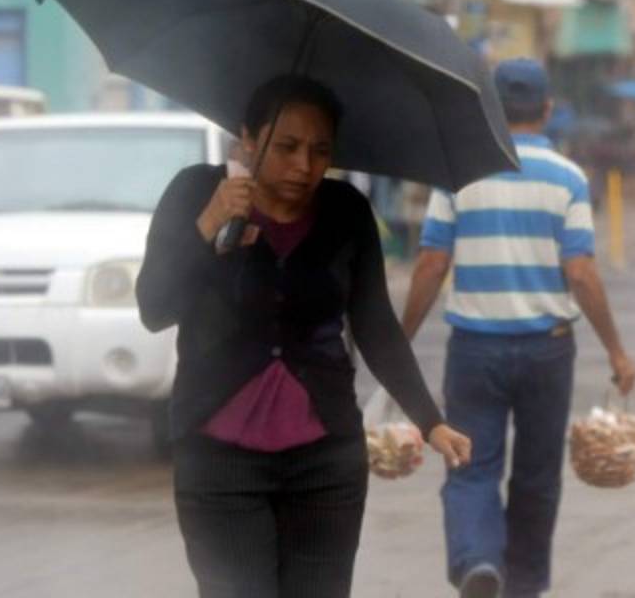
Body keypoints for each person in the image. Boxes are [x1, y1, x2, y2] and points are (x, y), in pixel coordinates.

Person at [136, 74, 472, 598]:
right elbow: (154, 308)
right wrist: (210, 222)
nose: (304, 166)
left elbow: (375, 324)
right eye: (287, 146)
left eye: (320, 150)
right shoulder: (195, 192)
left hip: (325, 463)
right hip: (218, 462)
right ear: (249, 138)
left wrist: (430, 420)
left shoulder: (346, 213)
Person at [401, 58, 635, 598]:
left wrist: (400, 339)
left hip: (475, 350)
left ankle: (479, 563)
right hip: (547, 352)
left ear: (492, 110)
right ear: (548, 110)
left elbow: (431, 264)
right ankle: (525, 585)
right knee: (536, 478)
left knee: (469, 467)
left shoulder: (458, 172)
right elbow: (581, 271)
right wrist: (617, 352)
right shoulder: (569, 179)